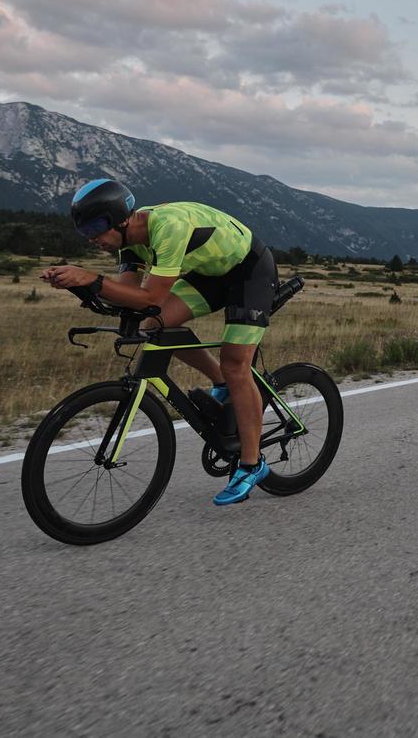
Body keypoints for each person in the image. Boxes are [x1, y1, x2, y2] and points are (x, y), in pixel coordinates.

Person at [40, 178, 278, 506]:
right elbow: (129, 296)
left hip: (249, 272)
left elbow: (149, 295)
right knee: (153, 324)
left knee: (237, 363)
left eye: (96, 228)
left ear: (120, 219)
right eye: (85, 232)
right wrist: (81, 287)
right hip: (210, 276)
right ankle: (219, 381)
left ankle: (252, 464)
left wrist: (91, 278)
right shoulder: (128, 241)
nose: (93, 239)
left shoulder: (168, 228)